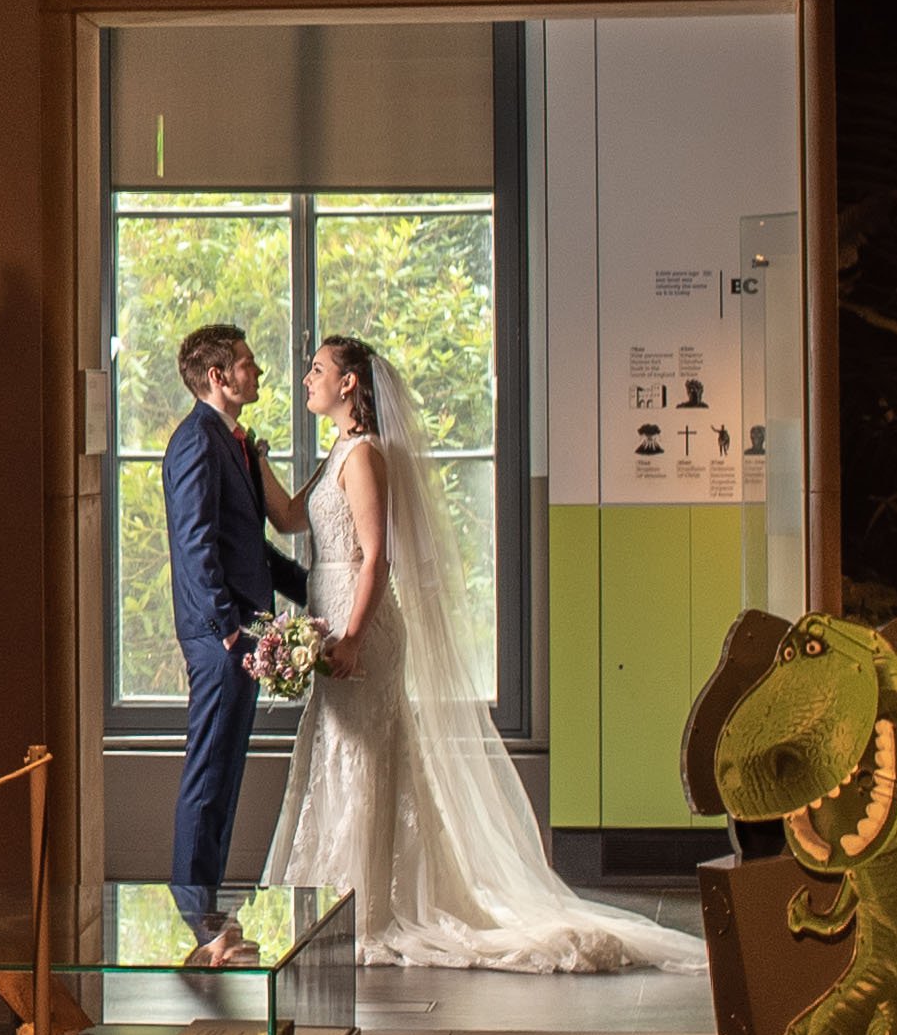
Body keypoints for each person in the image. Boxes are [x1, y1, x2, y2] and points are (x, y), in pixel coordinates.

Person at [255, 336, 701, 974]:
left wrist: (353, 636)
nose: (306, 379)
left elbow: (378, 557)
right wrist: (256, 456)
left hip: (362, 623)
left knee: (365, 757)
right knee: (340, 753)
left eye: (318, 370)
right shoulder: (338, 452)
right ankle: (336, 900)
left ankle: (366, 903)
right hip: (329, 616)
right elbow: (292, 518)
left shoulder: (365, 457)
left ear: (350, 384)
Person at [162, 322, 302, 957]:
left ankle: (208, 915)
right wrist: (226, 632)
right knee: (208, 774)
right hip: (221, 638)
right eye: (247, 364)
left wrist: (314, 592)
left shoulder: (233, 443)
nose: (257, 372)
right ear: (217, 377)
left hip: (245, 634)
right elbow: (196, 547)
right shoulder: (195, 443)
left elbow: (249, 548)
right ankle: (197, 914)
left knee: (224, 775)